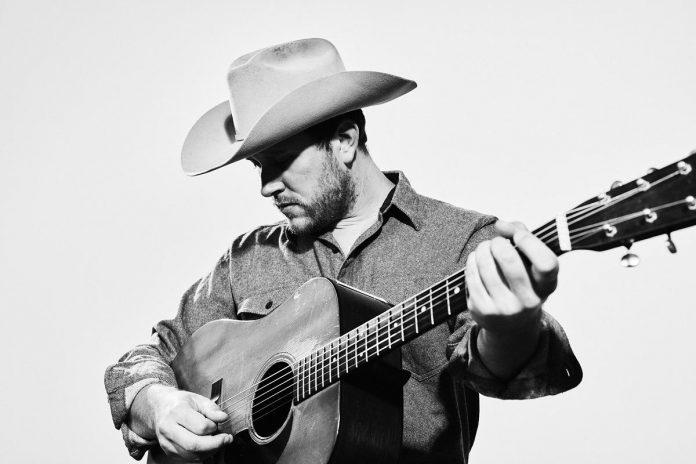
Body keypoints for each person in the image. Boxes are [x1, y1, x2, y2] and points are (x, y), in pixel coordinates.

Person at [104, 38, 582, 463]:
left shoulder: (463, 241)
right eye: (257, 168)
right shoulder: (246, 259)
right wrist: (159, 403)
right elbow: (149, 358)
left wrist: (513, 328)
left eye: (280, 162)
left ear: (344, 140)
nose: (267, 187)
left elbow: (516, 373)